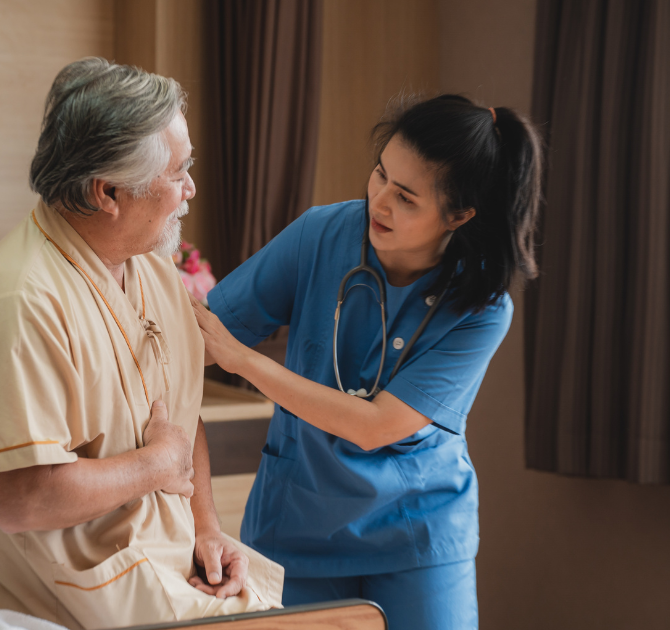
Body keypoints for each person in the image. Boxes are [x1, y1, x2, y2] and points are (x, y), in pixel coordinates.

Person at [0, 57, 283, 630]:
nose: (191, 189)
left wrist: (205, 529)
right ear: (108, 193)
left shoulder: (154, 271)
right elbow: (18, 498)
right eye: (179, 173)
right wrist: (154, 466)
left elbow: (180, 416)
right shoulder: (20, 302)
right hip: (71, 595)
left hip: (168, 565)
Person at [192, 95, 542, 629]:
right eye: (380, 175)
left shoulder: (482, 307)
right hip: (298, 522)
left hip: (417, 534)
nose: (378, 201)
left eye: (406, 197)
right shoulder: (320, 235)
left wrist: (242, 362)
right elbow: (201, 331)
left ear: (459, 215)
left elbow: (377, 426)